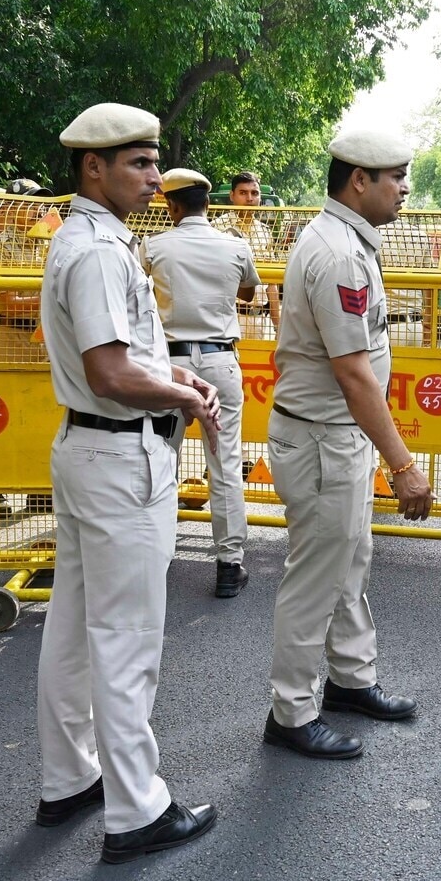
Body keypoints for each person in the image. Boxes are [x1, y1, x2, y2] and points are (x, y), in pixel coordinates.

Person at [35, 102, 219, 863]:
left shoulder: (86, 240)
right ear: (94, 168)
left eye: (154, 163)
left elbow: (114, 357)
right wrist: (183, 392)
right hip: (120, 460)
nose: (154, 178)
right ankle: (136, 810)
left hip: (90, 450)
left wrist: (166, 370)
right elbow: (109, 373)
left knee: (75, 629)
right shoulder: (101, 252)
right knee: (126, 639)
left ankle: (69, 778)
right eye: (140, 165)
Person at [263, 129, 434, 761]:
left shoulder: (350, 243)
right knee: (316, 576)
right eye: (396, 176)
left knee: (351, 561)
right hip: (322, 441)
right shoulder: (337, 254)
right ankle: (292, 710)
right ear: (358, 180)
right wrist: (404, 465)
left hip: (336, 439)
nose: (405, 188)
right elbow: (354, 372)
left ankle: (350, 679)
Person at [142, 168, 260, 597]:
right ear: (209, 204)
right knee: (224, 461)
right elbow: (247, 293)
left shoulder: (153, 246)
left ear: (171, 205)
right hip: (219, 362)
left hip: (166, 366)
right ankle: (229, 564)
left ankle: (156, 556)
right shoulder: (235, 245)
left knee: (161, 458)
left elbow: (139, 293)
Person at [0, 179, 56, 518]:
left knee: (41, 411)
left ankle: (39, 489)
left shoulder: (50, 244)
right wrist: (48, 299)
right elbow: (6, 305)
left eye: (39, 203)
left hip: (43, 337)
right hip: (8, 335)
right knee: (2, 410)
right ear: (11, 208)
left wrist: (45, 302)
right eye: (29, 202)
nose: (37, 209)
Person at [216, 171, 279, 335]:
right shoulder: (217, 228)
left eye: (254, 193)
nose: (249, 199)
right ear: (232, 196)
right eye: (243, 193)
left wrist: (278, 327)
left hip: (261, 322)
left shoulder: (265, 232)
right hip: (228, 319)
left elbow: (271, 284)